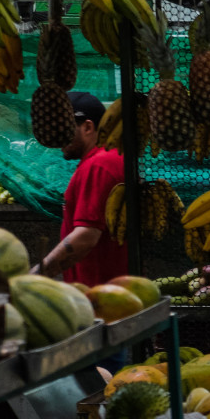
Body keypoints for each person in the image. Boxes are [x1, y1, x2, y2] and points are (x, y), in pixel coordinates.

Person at [37, 91, 127, 283]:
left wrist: (36, 276)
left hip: (101, 292)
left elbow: (86, 236)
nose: (57, 136)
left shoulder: (99, 165)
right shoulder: (110, 158)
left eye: (63, 128)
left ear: (87, 127)